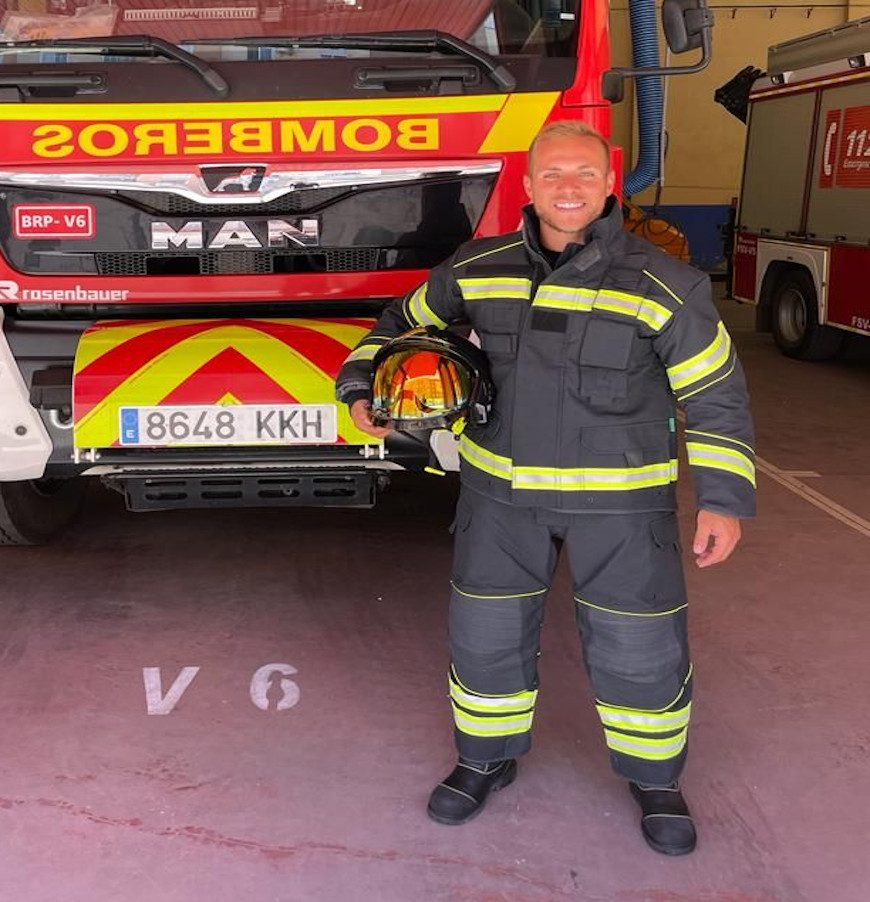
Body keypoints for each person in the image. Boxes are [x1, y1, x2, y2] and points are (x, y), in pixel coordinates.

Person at [335, 121, 755, 856]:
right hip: (500, 501)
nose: (568, 188)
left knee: (640, 646)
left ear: (609, 185)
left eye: (585, 174)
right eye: (553, 174)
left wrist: (722, 499)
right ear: (528, 185)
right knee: (486, 638)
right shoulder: (478, 266)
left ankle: (656, 780)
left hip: (623, 509)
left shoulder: (665, 283)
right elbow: (403, 322)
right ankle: (484, 761)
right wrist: (363, 381)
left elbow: (715, 393)